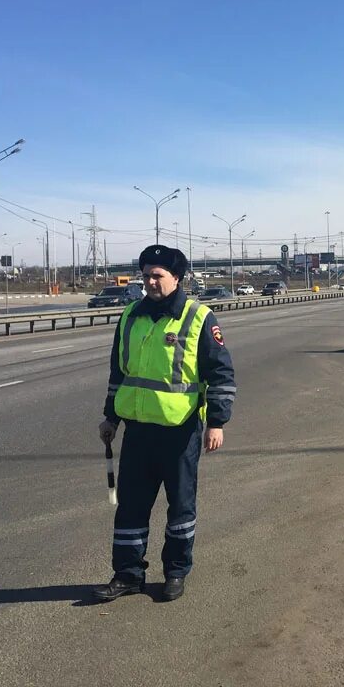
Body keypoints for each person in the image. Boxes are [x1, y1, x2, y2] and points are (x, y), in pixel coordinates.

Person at [94, 244, 236, 602]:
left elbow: (220, 374)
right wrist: (111, 416)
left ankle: (175, 572)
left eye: (157, 275)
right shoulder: (130, 316)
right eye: (146, 276)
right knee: (131, 507)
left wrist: (216, 423)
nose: (151, 282)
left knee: (181, 508)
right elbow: (119, 374)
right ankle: (127, 575)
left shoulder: (198, 317)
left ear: (177, 277)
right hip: (138, 431)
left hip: (180, 432)